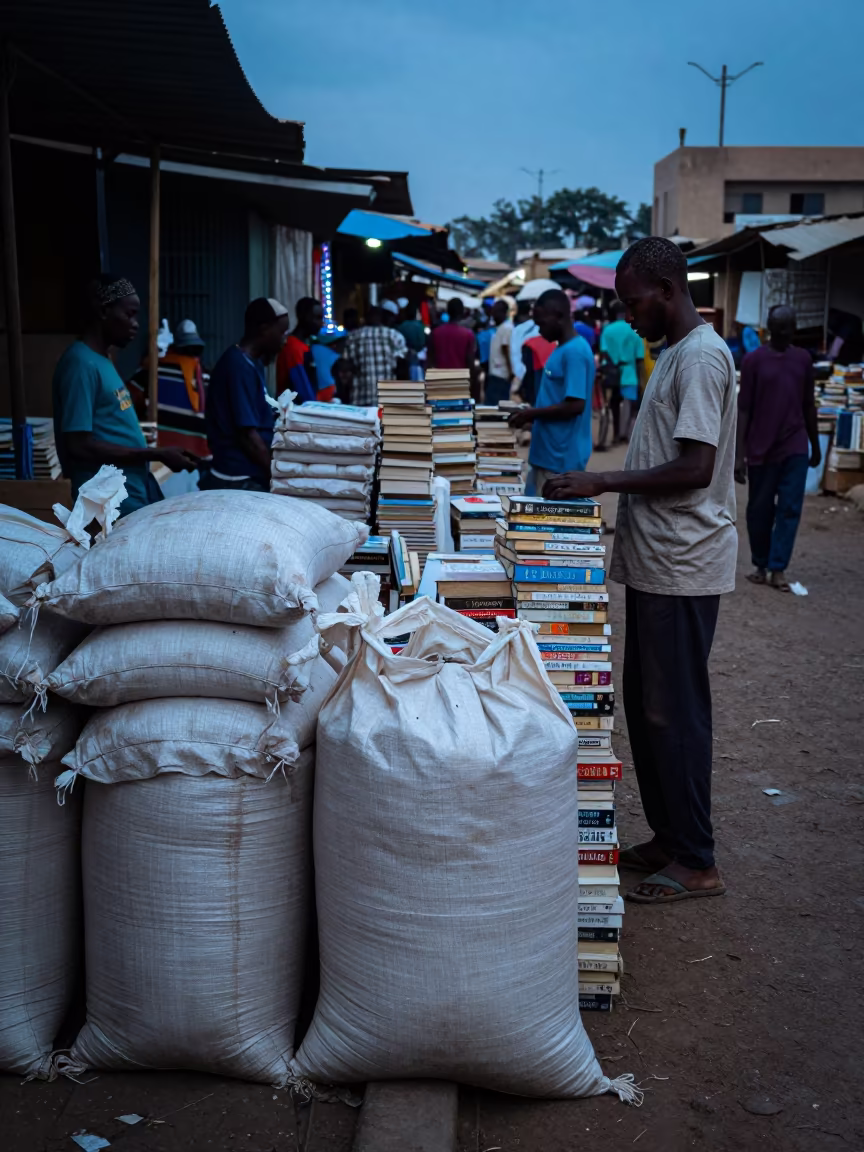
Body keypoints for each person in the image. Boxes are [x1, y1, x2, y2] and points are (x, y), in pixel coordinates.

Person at [543, 237, 736, 906]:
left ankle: (697, 859)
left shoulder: (703, 358)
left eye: (634, 303)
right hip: (658, 562)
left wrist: (603, 479)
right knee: (648, 709)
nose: (629, 317)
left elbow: (695, 467)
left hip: (684, 563)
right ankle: (668, 836)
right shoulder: (674, 353)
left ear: (667, 288)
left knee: (674, 712)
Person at [52, 275, 200, 517]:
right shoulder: (80, 364)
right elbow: (79, 446)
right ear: (103, 311)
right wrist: (155, 454)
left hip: (130, 493)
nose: (136, 324)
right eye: (129, 315)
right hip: (107, 505)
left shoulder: (102, 360)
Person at [735, 305, 820, 591]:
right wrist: (739, 455)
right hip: (761, 448)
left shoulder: (803, 360)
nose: (784, 333)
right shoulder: (754, 361)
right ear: (770, 328)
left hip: (795, 445)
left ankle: (778, 567)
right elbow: (743, 409)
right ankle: (760, 562)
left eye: (788, 328)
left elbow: (809, 404)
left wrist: (815, 444)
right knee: (759, 509)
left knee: (790, 508)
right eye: (779, 328)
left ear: (794, 329)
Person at [508, 289, 594, 495]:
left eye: (541, 323)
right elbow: (557, 399)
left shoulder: (575, 352)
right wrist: (533, 417)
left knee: (545, 522)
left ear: (558, 316)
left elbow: (575, 404)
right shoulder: (561, 349)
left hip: (560, 459)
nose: (539, 330)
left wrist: (533, 414)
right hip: (547, 454)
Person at [201, 297, 291, 491]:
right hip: (238, 476)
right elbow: (248, 436)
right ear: (264, 328)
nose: (285, 340)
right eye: (282, 332)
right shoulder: (237, 366)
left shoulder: (253, 363)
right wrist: (276, 477)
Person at [130, 318, 210, 459]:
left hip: (162, 454)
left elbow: (125, 399)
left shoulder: (153, 371)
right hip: (194, 455)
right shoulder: (205, 377)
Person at [600, 299, 645, 442]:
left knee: (613, 404)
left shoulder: (607, 330)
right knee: (627, 403)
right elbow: (639, 359)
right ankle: (624, 434)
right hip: (629, 372)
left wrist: (612, 364)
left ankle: (615, 432)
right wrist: (641, 380)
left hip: (612, 372)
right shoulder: (634, 331)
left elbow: (603, 351)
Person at [345, 305, 409, 406]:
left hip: (361, 400)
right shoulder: (394, 335)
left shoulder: (352, 337)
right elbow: (402, 367)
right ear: (382, 318)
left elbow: (346, 367)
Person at [276, 296, 323, 396]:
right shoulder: (293, 347)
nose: (321, 324)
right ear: (303, 317)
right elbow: (303, 390)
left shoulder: (303, 345)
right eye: (317, 318)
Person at [486, 298, 514, 404]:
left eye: (495, 312)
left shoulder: (507, 328)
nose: (493, 315)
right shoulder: (501, 327)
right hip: (496, 373)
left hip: (501, 374)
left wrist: (511, 371)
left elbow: (505, 348)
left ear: (503, 313)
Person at [510, 298, 538, 395]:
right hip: (532, 378)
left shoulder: (518, 330)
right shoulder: (525, 329)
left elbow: (514, 355)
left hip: (523, 378)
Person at [397, 300, 427, 381]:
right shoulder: (420, 326)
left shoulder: (400, 327)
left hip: (403, 362)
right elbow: (422, 343)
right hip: (416, 362)